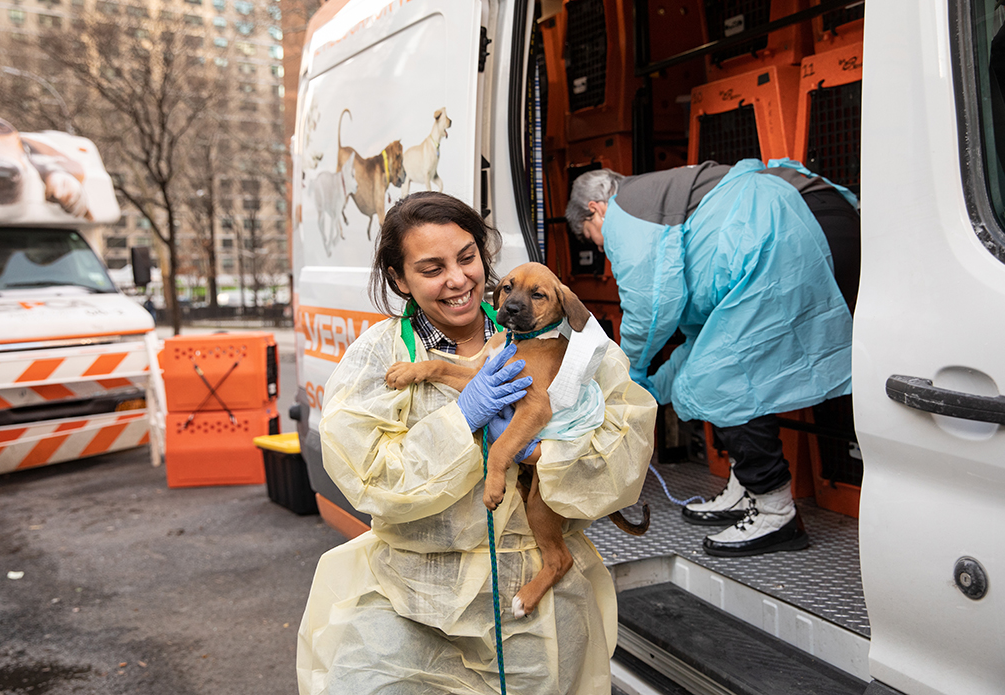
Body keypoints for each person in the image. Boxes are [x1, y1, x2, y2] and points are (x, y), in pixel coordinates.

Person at [295, 191, 657, 694]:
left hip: (536, 610)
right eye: (431, 268)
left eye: (467, 258)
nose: (458, 279)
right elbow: (371, 478)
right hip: (414, 602)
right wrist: (459, 419)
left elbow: (626, 445)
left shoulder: (567, 344)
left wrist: (543, 454)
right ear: (400, 279)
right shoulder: (381, 355)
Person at [565, 159, 860, 558]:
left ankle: (776, 513)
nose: (606, 251)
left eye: (597, 240)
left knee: (725, 380)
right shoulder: (679, 203)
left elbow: (651, 305)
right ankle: (748, 489)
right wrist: (653, 389)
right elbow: (698, 343)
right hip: (827, 222)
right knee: (724, 368)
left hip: (791, 232)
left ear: (594, 209)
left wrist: (626, 368)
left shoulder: (626, 209)